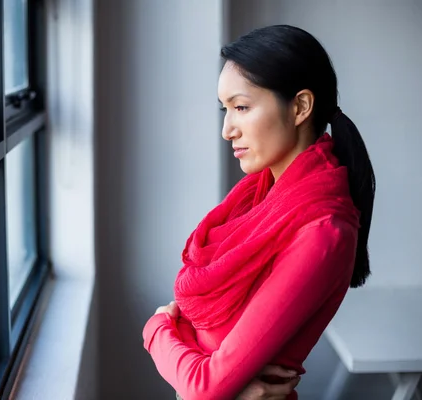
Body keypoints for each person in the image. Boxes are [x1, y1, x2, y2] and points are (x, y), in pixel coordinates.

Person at [142, 25, 376, 400]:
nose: (227, 130)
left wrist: (155, 330)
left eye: (242, 107)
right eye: (226, 109)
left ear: (300, 107)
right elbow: (206, 378)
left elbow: (204, 388)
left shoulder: (323, 233)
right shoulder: (257, 200)